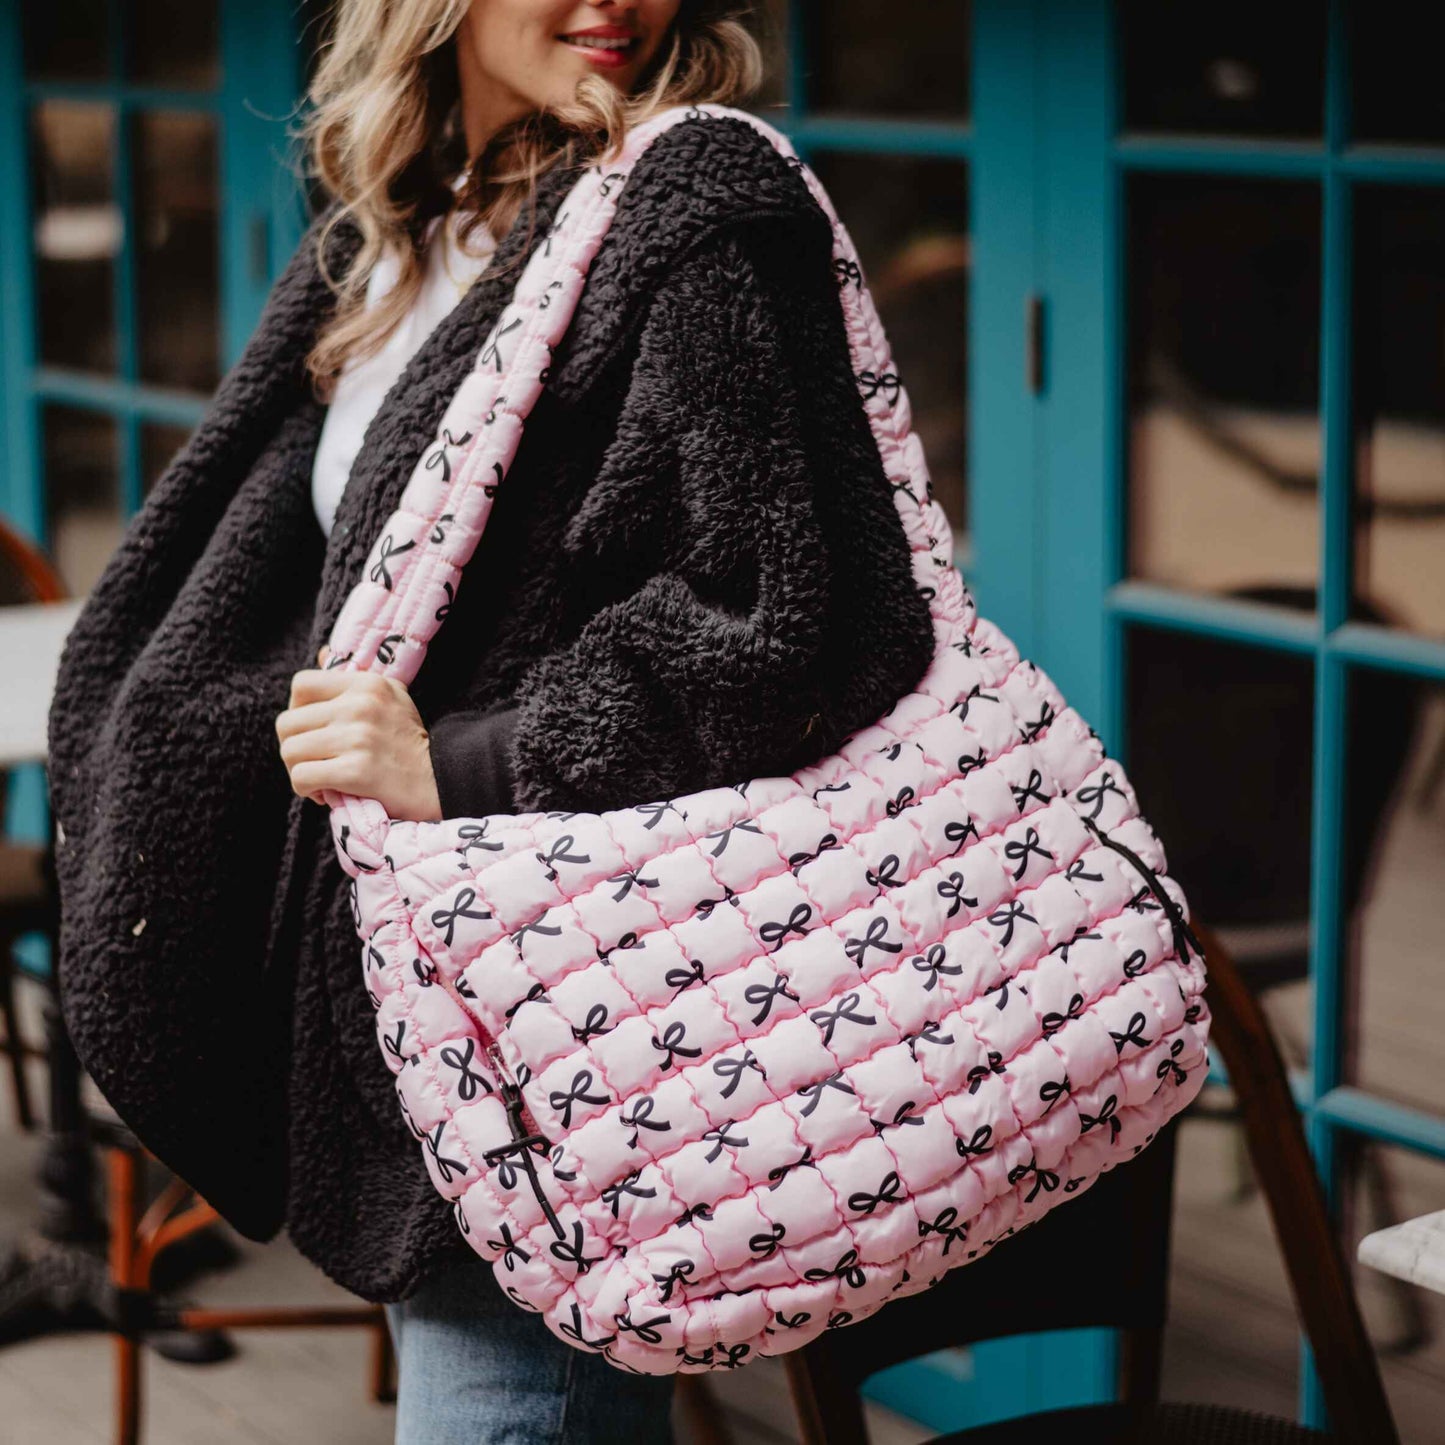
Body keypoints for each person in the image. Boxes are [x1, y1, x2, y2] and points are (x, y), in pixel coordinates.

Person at [47, 1, 936, 1440]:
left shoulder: (693, 200)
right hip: (435, 981)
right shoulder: (400, 227)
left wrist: (470, 756)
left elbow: (797, 613)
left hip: (561, 975)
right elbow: (291, 575)